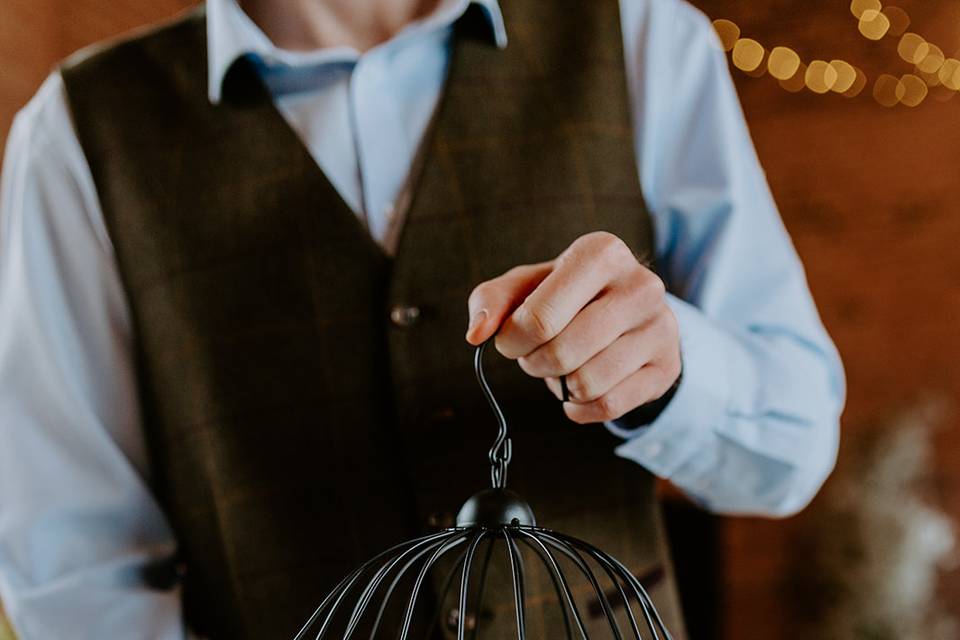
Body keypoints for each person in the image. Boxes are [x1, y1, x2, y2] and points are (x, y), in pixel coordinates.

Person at [0, 0, 845, 637]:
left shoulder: (643, 38)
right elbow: (72, 569)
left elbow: (792, 450)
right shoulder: (79, 133)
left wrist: (671, 368)